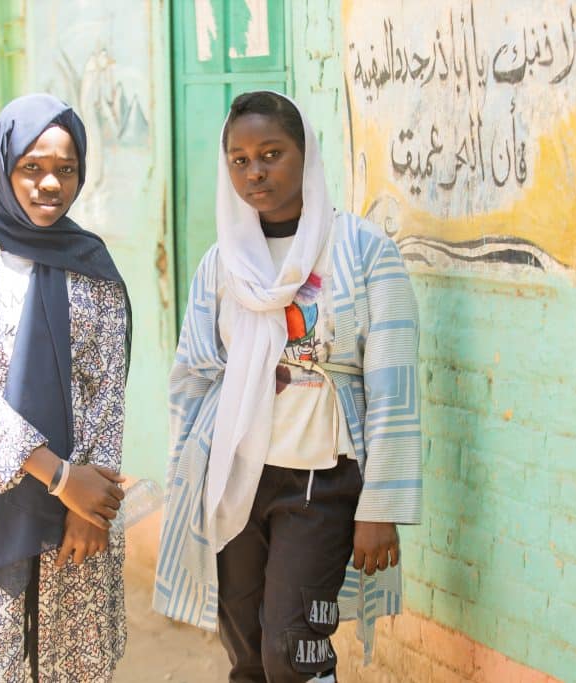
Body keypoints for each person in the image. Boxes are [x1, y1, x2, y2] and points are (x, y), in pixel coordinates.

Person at [154, 91, 422, 682]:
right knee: (247, 654)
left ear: (306, 156)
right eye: (240, 159)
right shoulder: (221, 265)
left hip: (321, 486)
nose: (255, 172)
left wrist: (379, 505)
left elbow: (394, 385)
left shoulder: (362, 250)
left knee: (294, 653)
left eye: (272, 154)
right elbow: (193, 380)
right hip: (234, 485)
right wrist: (186, 485)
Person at [0, 94, 132, 682]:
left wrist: (91, 507)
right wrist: (59, 477)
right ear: (4, 165)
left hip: (80, 505)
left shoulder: (91, 264)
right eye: (32, 167)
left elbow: (106, 397)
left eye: (65, 169)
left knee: (68, 662)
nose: (49, 184)